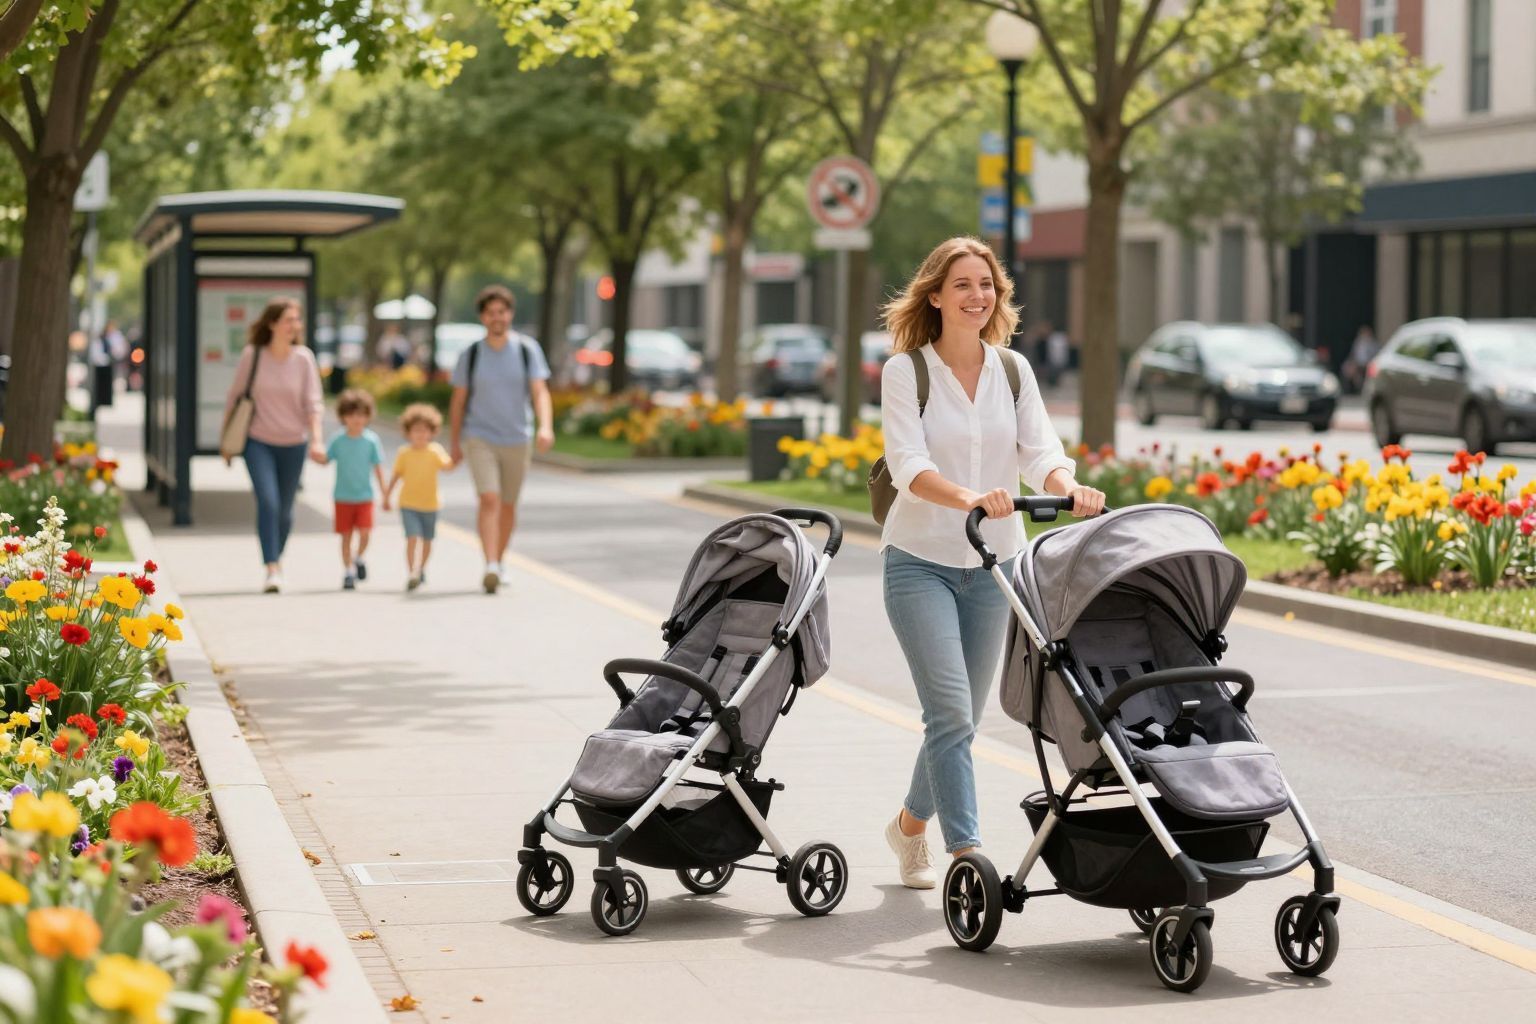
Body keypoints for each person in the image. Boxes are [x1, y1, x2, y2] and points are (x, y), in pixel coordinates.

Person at [877, 236, 1105, 888]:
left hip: (993, 566)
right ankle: (967, 854)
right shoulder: (907, 372)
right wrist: (970, 497)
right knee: (949, 713)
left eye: (987, 285)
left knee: (960, 719)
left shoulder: (1012, 370)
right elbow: (908, 465)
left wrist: (1068, 485)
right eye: (964, 284)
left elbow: (1041, 450)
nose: (978, 296)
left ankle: (908, 826)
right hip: (919, 560)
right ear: (937, 296)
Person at [448, 284, 555, 594]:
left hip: (518, 438)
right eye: (491, 312)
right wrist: (455, 444)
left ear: (510, 314)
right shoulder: (471, 355)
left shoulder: (526, 350)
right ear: (483, 317)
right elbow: (458, 402)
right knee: (489, 499)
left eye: (503, 312)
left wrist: (545, 426)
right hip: (479, 436)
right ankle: (490, 564)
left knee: (508, 505)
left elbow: (539, 391)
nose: (498, 317)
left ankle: (501, 558)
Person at [222, 297, 325, 594]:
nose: (294, 325)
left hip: (294, 443)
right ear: (272, 324)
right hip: (258, 441)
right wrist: (225, 441)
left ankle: (276, 557)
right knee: (268, 501)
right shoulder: (253, 355)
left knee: (285, 509)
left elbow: (313, 404)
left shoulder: (303, 358)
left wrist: (316, 439)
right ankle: (272, 567)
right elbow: (234, 397)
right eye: (288, 320)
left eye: (297, 320)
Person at [319, 389, 388, 590]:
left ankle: (359, 558)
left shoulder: (371, 440)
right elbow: (325, 459)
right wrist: (315, 451)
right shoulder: (338, 440)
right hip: (342, 496)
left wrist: (384, 493)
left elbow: (378, 468)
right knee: (346, 536)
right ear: (343, 417)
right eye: (351, 415)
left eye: (360, 415)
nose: (356, 419)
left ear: (367, 416)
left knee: (365, 533)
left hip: (365, 496)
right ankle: (348, 572)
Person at [384, 402, 454, 591]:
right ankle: (412, 573)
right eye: (416, 431)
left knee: (427, 540)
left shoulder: (435, 451)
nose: (420, 435)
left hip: (431, 504)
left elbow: (448, 467)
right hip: (408, 503)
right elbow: (396, 475)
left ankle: (421, 567)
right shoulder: (404, 453)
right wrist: (386, 496)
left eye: (424, 431)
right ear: (408, 432)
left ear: (432, 432)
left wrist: (457, 455)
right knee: (412, 538)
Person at [1344, 324, 1380, 393]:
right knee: (1349, 369)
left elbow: (1376, 355)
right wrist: (1352, 362)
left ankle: (1364, 389)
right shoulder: (1358, 343)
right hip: (1358, 363)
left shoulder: (1373, 344)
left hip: (1369, 364)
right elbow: (1353, 355)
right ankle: (1356, 389)